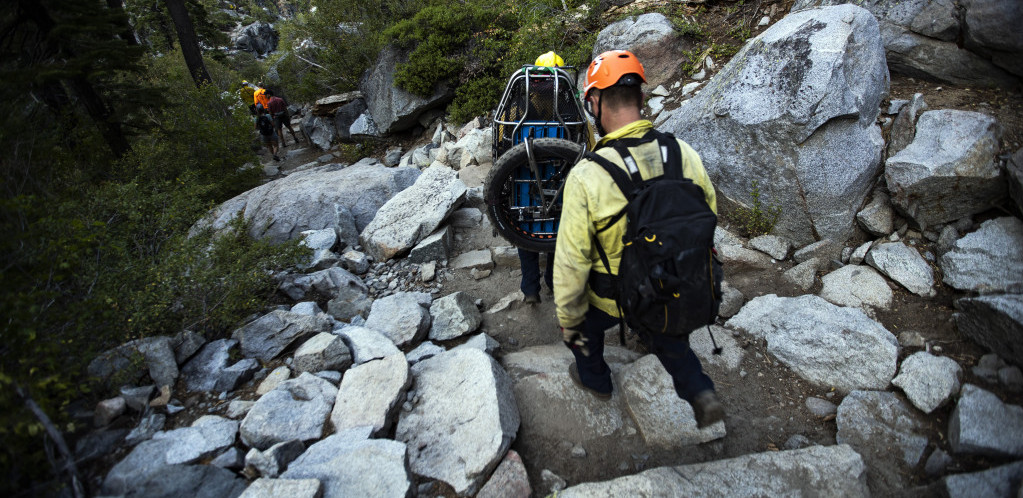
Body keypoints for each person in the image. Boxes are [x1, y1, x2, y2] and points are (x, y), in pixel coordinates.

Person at [553, 50, 725, 428]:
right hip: (668, 284)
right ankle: (698, 388)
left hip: (611, 297)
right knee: (667, 334)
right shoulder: (683, 153)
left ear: (594, 103)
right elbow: (708, 215)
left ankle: (596, 380)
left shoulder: (587, 175)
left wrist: (568, 317)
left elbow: (571, 261)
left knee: (582, 329)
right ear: (641, 98)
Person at [518, 51, 564, 304]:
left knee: (523, 229)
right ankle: (553, 283)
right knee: (556, 232)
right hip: (559, 184)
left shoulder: (518, 108)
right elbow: (586, 145)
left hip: (524, 183)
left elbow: (501, 146)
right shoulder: (571, 112)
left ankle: (530, 290)